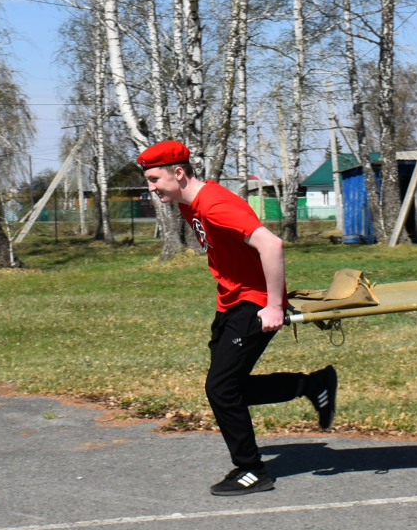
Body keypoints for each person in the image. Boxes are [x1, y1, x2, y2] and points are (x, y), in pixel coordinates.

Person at [138, 140, 338, 496]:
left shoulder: (214, 204)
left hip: (255, 302)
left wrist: (274, 306)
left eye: (154, 179)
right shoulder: (189, 204)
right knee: (229, 387)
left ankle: (251, 469)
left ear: (179, 173)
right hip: (231, 302)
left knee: (221, 388)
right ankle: (312, 385)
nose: (151, 188)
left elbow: (271, 245)